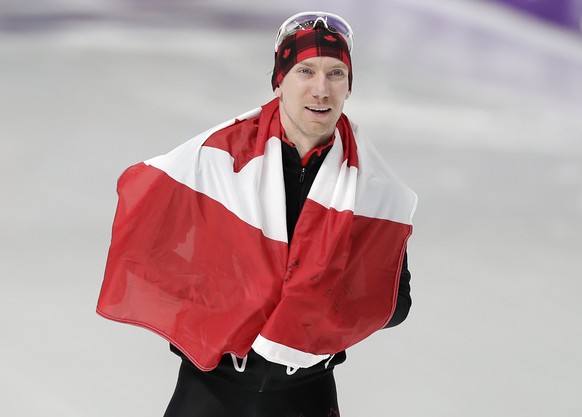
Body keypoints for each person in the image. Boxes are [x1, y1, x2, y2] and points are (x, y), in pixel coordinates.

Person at [97, 11, 417, 417]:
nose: (321, 89)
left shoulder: (370, 187)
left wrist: (322, 307)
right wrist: (227, 299)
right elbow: (151, 251)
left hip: (306, 391)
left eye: (336, 73)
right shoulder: (216, 160)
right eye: (306, 71)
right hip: (212, 387)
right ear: (279, 81)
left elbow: (395, 302)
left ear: (349, 86)